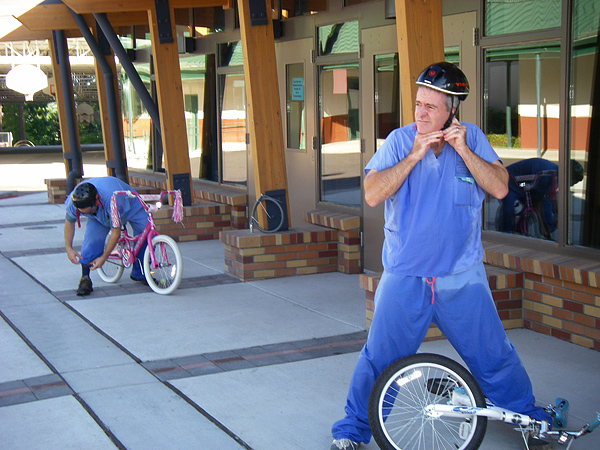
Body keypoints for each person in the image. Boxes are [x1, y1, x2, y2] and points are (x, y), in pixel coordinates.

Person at [329, 62, 552, 450]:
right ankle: (352, 431)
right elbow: (372, 193)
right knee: (379, 360)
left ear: (451, 110)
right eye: (418, 104)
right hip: (406, 276)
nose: (421, 113)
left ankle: (529, 418)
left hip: (460, 276)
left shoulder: (473, 139)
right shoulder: (399, 141)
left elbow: (500, 188)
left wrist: (463, 149)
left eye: (431, 107)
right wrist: (415, 155)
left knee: (493, 355)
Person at [64, 176, 149, 295]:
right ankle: (85, 278)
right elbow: (69, 223)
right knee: (92, 240)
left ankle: (140, 272)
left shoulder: (112, 199)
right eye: (83, 213)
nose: (87, 215)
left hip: (130, 204)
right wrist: (68, 248)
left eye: (89, 211)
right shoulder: (74, 202)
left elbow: (115, 231)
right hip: (99, 213)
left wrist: (104, 257)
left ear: (96, 199)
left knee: (147, 233)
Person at [499, 158, 584, 238]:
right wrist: (541, 226)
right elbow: (537, 202)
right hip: (509, 180)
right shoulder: (547, 175)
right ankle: (505, 233)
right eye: (573, 182)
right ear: (567, 176)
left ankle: (548, 231)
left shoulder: (554, 173)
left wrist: (558, 214)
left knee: (546, 203)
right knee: (509, 205)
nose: (572, 185)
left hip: (524, 183)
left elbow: (551, 197)